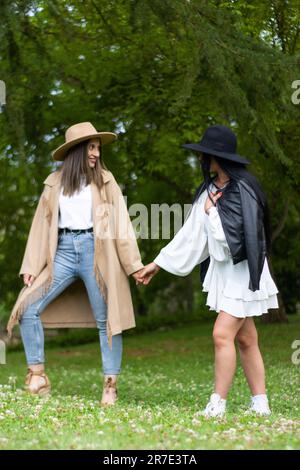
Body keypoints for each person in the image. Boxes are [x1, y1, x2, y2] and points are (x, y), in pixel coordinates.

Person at [139, 125, 279, 418]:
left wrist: (212, 213)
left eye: (207, 154)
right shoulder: (208, 190)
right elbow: (191, 235)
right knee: (246, 338)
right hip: (226, 273)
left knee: (221, 334)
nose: (203, 159)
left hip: (243, 270)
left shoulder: (244, 189)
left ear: (219, 157)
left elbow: (237, 241)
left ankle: (218, 404)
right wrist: (158, 263)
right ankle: (260, 403)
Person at [7, 122, 144, 405]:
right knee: (27, 307)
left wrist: (134, 265)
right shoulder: (54, 183)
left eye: (97, 148)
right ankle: (37, 375)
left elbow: (121, 224)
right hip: (63, 252)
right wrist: (31, 267)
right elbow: (40, 226)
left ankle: (110, 385)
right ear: (76, 151)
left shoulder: (105, 180)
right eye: (90, 147)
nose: (95, 153)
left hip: (98, 252)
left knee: (107, 320)